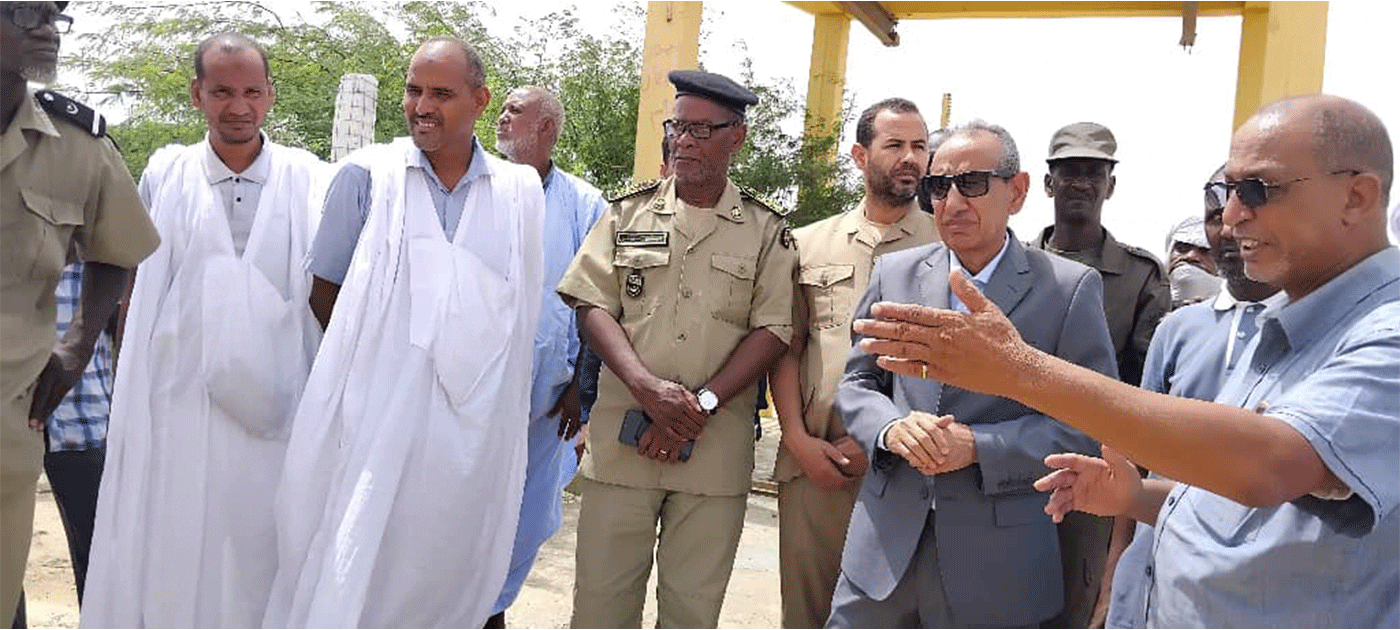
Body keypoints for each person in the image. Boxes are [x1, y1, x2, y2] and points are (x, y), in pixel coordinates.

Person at [853, 94, 1397, 627]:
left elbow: (1270, 466)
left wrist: (1018, 373)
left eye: (1258, 189)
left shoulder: (1385, 334)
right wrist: (1138, 496)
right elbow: (1244, 506)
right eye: (1225, 191)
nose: (1231, 216)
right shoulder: (1281, 324)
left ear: (1356, 197)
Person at [263, 37, 545, 628]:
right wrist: (383, 364)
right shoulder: (366, 177)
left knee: (447, 574)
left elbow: (517, 321)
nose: (422, 106)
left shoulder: (518, 195)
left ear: (479, 101)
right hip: (371, 424)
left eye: (441, 93)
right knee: (357, 567)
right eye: (414, 90)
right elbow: (325, 292)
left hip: (470, 441)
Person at [827, 120, 1118, 628]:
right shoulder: (895, 273)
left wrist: (978, 447)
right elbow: (858, 384)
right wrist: (891, 429)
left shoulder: (1067, 290)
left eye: (972, 183)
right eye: (939, 187)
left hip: (997, 568)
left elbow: (1089, 425)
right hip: (883, 557)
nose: (953, 201)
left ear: (1017, 192)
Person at [81, 33, 326, 627]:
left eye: (251, 92)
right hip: (181, 398)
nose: (237, 107)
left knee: (267, 537)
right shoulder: (167, 173)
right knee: (180, 531)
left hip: (280, 399)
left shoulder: (308, 178)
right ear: (197, 94)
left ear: (270, 95)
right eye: (221, 92)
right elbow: (138, 286)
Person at [556, 69, 796, 628]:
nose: (683, 140)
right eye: (677, 127)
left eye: (701, 130)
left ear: (736, 136)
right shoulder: (626, 214)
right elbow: (591, 306)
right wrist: (647, 390)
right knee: (600, 609)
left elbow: (773, 330)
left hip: (713, 453)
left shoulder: (765, 230)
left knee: (692, 613)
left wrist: (697, 407)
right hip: (624, 445)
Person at [1, 1, 159, 619]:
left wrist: (78, 341)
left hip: (11, 424)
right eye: (24, 14)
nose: (46, 29)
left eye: (55, 16)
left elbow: (118, 248)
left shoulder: (77, 145)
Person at [767, 97, 936, 629]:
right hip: (814, 466)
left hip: (905, 470)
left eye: (920, 147)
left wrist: (878, 440)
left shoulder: (947, 248)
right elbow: (787, 346)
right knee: (806, 615)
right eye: (895, 145)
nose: (910, 158)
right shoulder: (806, 244)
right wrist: (796, 439)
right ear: (861, 156)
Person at [1027, 121, 1170, 627]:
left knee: (1076, 605)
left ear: (1110, 185)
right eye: (1069, 172)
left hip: (1090, 474)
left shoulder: (1140, 277)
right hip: (1005, 464)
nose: (1081, 184)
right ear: (1049, 183)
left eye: (1093, 173)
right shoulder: (1013, 264)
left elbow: (1147, 387)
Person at [486, 85, 607, 629]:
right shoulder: (478, 187)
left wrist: (583, 389)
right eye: (502, 109)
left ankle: (493, 610)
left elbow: (599, 303)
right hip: (469, 393)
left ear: (547, 129)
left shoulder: (583, 204)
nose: (502, 117)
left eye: (515, 111)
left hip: (546, 403)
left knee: (526, 514)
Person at [1162, 215, 1218, 308]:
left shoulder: (1238, 311)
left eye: (1205, 250)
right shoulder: (1141, 305)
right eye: (1182, 247)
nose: (1191, 256)